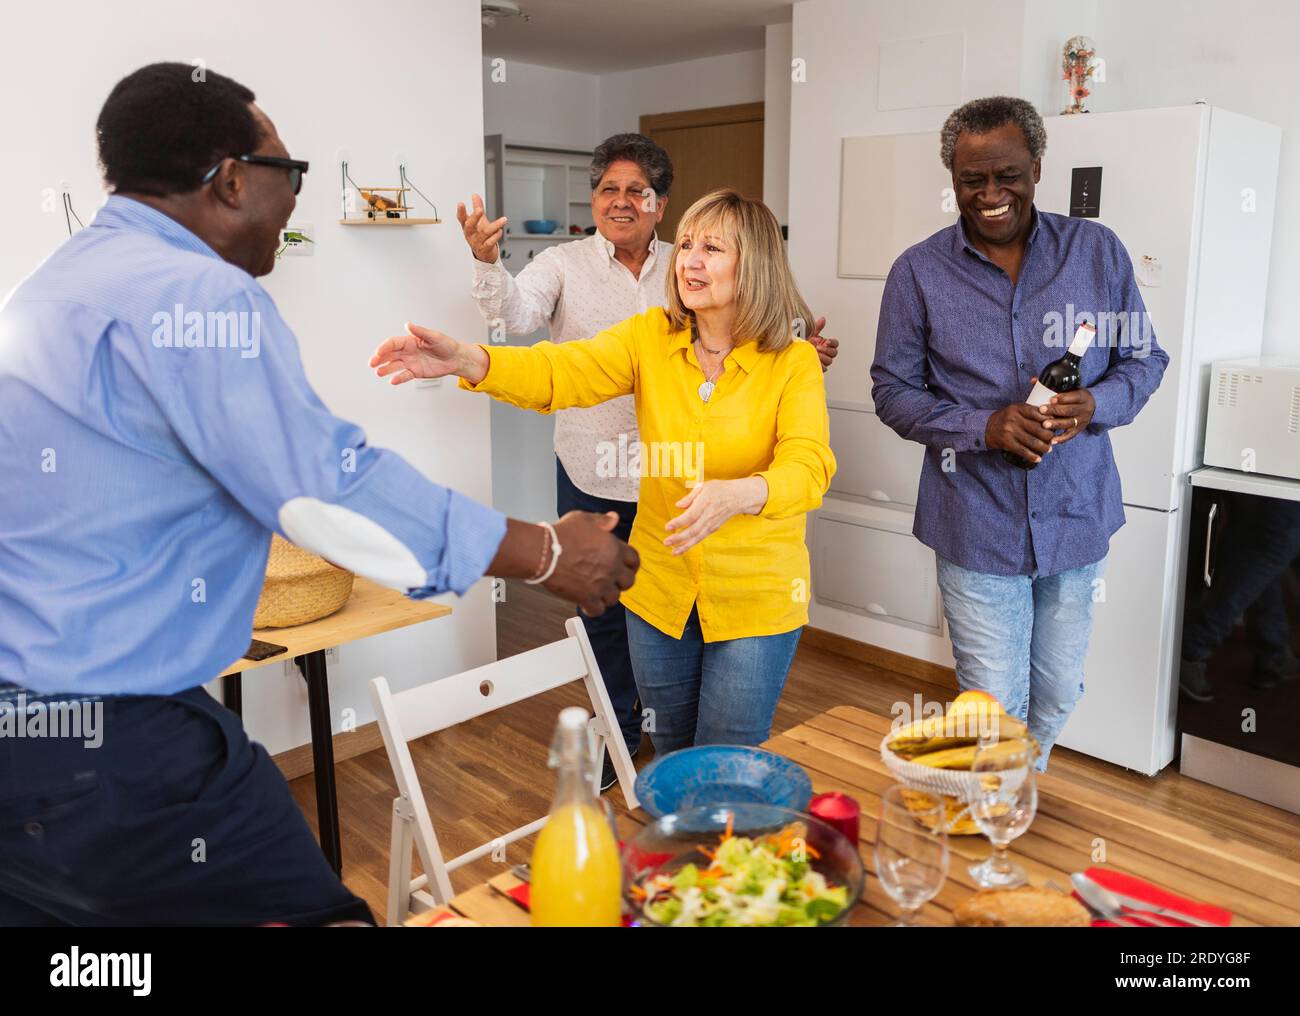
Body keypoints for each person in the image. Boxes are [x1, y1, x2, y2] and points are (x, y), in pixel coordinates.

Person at [0, 62, 637, 926]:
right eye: (288, 171)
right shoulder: (196, 293)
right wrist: (548, 552)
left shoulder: (50, 284)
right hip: (115, 741)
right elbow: (320, 493)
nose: (293, 195)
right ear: (230, 179)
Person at [374, 188, 835, 754]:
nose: (689, 259)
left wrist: (745, 492)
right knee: (667, 744)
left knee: (726, 758)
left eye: (712, 248)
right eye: (686, 243)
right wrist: (467, 360)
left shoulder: (793, 361)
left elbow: (809, 465)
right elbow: (561, 372)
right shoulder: (650, 337)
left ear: (756, 263)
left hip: (756, 596)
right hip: (659, 590)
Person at [870, 96, 1169, 771]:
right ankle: (994, 812)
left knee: (1059, 688)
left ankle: (1007, 793)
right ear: (952, 177)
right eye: (972, 179)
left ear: (1037, 167)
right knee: (993, 699)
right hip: (974, 517)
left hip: (1076, 513)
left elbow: (1145, 358)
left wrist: (1096, 402)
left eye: (1007, 174)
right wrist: (983, 426)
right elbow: (892, 393)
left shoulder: (1095, 252)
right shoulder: (918, 272)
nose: (990, 194)